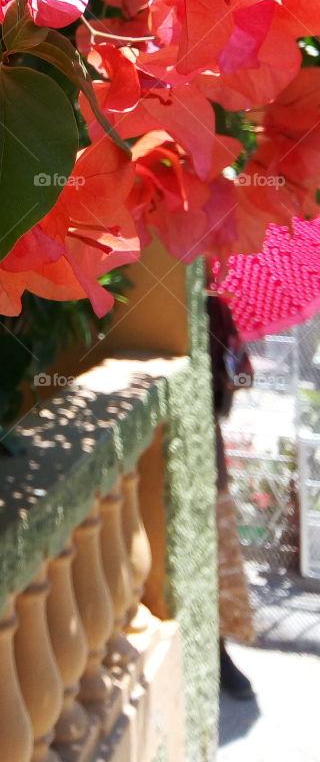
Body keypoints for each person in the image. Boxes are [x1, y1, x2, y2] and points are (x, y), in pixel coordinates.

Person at [207, 289, 257, 701]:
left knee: (217, 554)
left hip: (209, 452)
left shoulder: (218, 308)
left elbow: (244, 374)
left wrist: (230, 377)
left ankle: (219, 650)